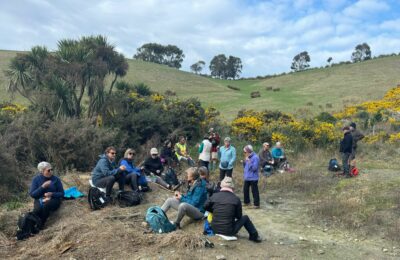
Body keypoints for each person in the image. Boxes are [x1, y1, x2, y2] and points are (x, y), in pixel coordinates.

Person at [204, 177, 262, 242]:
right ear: (232, 187)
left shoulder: (214, 196)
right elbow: (239, 216)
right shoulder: (236, 199)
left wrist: (214, 210)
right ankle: (254, 236)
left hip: (214, 229)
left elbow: (205, 206)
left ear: (221, 186)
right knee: (245, 218)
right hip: (229, 231)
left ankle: (254, 236)